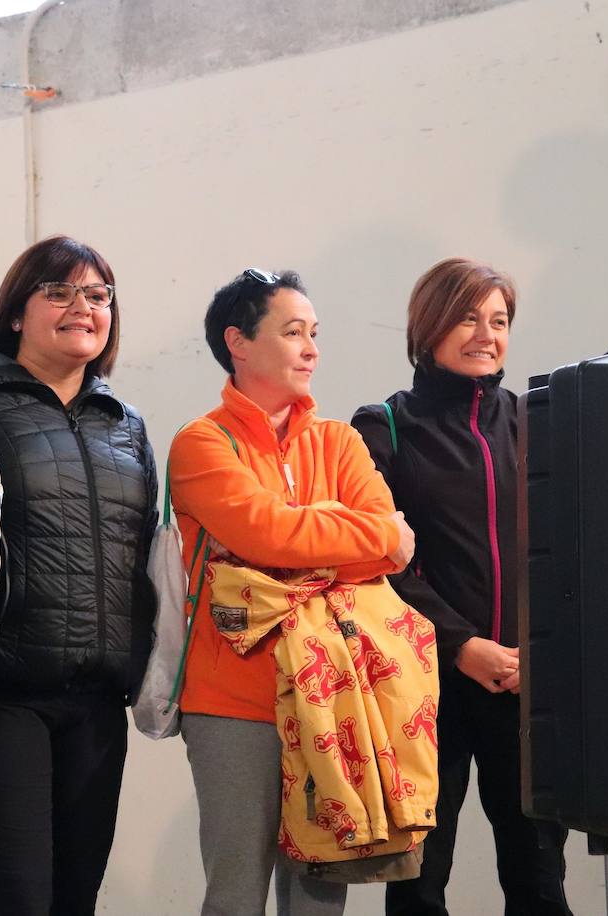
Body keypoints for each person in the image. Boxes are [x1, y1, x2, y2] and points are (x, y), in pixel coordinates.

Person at [169, 268, 417, 916]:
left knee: (319, 898)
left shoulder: (339, 440)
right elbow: (268, 533)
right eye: (293, 332)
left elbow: (392, 550)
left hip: (333, 693)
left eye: (314, 333)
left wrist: (318, 537)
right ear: (239, 342)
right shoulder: (201, 444)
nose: (311, 348)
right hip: (232, 700)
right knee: (235, 894)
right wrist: (348, 533)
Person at [0, 236, 157, 915]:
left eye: (97, 295)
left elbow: (144, 554)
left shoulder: (124, 424)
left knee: (73, 899)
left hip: (96, 700)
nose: (81, 308)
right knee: (14, 898)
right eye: (58, 292)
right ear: (16, 312)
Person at [350, 258, 574, 916]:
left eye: (499, 320)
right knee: (419, 888)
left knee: (540, 882)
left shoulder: (539, 423)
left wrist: (533, 652)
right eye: (469, 317)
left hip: (523, 686)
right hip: (422, 688)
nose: (486, 334)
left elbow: (562, 552)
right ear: (430, 326)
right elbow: (375, 561)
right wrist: (461, 645)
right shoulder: (382, 426)